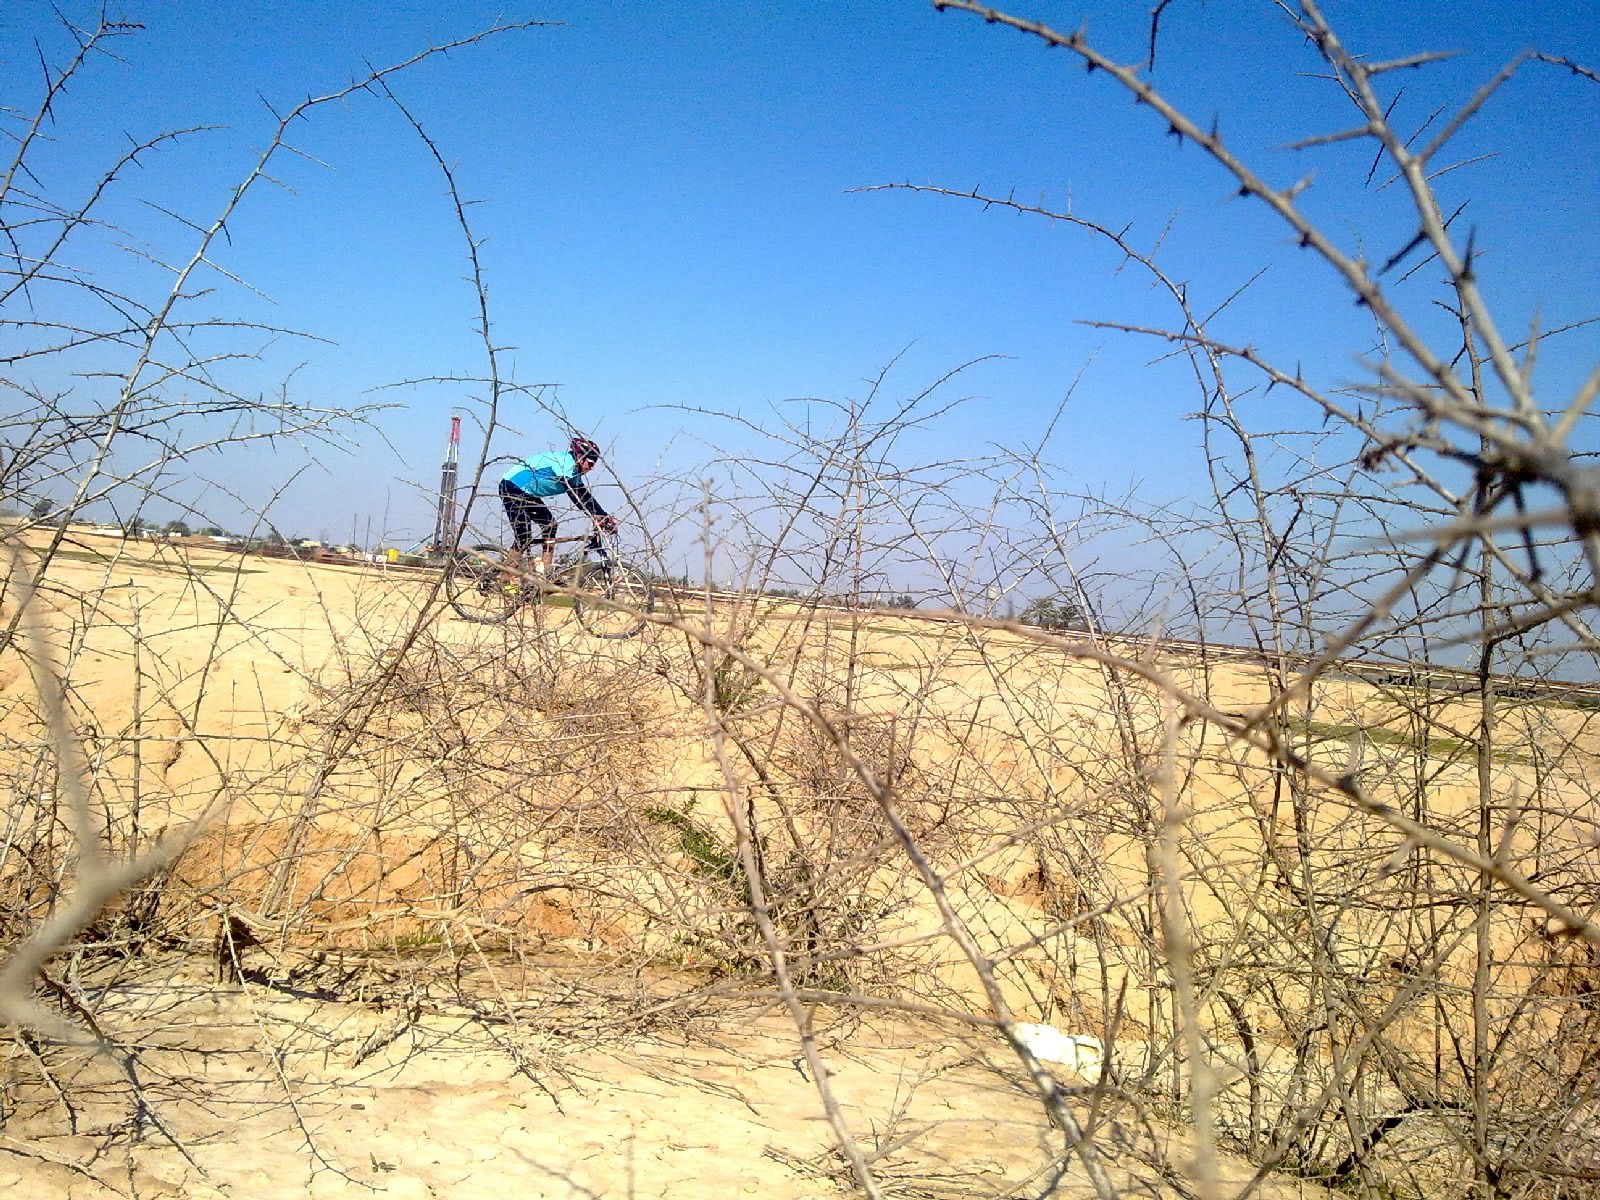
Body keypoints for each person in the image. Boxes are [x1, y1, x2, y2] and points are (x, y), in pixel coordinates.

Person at [499, 435, 617, 576]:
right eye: (590, 463)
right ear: (580, 457)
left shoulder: (574, 472)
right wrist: (595, 516)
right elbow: (574, 493)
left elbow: (584, 495)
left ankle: (545, 574)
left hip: (528, 494)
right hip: (512, 487)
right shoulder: (564, 463)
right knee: (523, 537)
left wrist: (603, 516)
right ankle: (504, 578)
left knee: (550, 526)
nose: (591, 469)